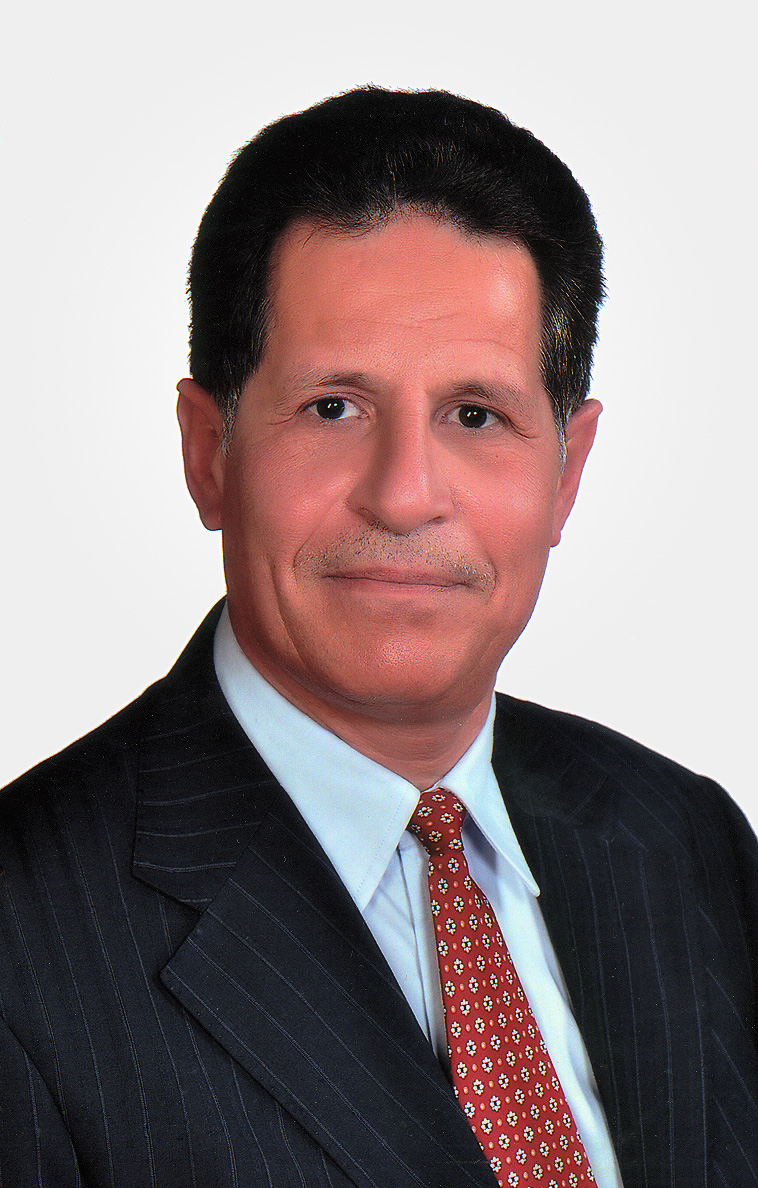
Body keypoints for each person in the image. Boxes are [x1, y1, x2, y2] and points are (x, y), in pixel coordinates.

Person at [1, 87, 756, 1188]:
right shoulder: (24, 940)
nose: (404, 496)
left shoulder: (686, 840)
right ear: (209, 453)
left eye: (475, 416)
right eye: (333, 408)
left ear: (567, 472)